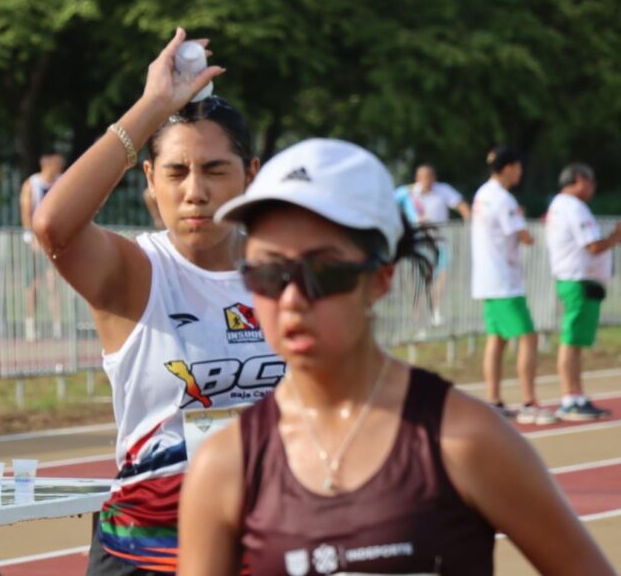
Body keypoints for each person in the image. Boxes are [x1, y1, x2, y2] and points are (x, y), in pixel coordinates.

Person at [177, 138, 613, 576]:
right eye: (268, 273)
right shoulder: (224, 466)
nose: (291, 299)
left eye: (323, 272)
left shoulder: (465, 441)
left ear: (381, 278)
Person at [33, 29, 284, 575]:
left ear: (251, 175)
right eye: (176, 172)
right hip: (146, 551)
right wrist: (151, 108)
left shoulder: (284, 279)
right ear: (150, 179)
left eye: (216, 170)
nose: (195, 190)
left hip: (261, 541)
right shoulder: (136, 272)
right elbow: (53, 223)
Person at [470, 147, 556, 424]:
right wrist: (529, 224)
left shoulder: (482, 194)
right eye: (518, 167)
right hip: (504, 281)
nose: (520, 173)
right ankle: (529, 402)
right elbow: (523, 235)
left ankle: (493, 400)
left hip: (486, 279)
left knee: (497, 339)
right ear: (507, 168)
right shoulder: (503, 199)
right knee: (528, 337)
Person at [545, 163, 620, 420]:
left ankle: (576, 395)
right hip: (577, 280)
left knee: (576, 342)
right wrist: (615, 237)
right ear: (579, 179)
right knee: (572, 340)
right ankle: (570, 398)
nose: (594, 187)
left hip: (578, 279)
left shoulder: (563, 205)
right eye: (591, 181)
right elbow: (593, 246)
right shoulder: (572, 207)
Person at [394, 164, 470, 325]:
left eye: (430, 178)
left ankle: (434, 310)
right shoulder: (407, 193)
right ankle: (418, 315)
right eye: (424, 178)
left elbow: (461, 205)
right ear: (418, 179)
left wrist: (469, 221)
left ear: (434, 178)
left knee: (442, 277)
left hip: (440, 242)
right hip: (417, 244)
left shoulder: (443, 190)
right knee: (418, 279)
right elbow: (389, 204)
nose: (427, 181)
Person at [19, 151, 65, 340]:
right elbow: (26, 212)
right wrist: (32, 239)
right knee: (34, 285)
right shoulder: (32, 184)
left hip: (54, 241)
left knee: (54, 284)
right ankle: (30, 324)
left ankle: (57, 326)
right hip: (34, 242)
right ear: (47, 166)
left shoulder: (62, 181)